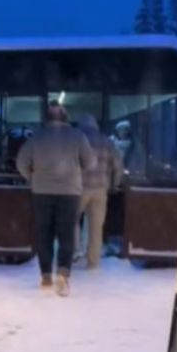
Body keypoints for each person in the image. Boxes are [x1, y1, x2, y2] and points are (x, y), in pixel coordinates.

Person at [16, 101, 95, 296]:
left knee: (44, 233)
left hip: (41, 192)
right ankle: (63, 274)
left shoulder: (37, 137)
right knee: (65, 233)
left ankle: (45, 276)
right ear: (65, 117)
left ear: (47, 117)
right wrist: (74, 173)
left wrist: (33, 177)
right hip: (70, 193)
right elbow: (90, 162)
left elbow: (21, 162)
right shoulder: (77, 136)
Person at [74, 114, 124, 270]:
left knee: (71, 221)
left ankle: (75, 251)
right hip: (100, 189)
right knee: (96, 227)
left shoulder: (77, 140)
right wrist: (115, 184)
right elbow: (118, 164)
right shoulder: (107, 141)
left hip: (79, 188)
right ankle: (93, 261)